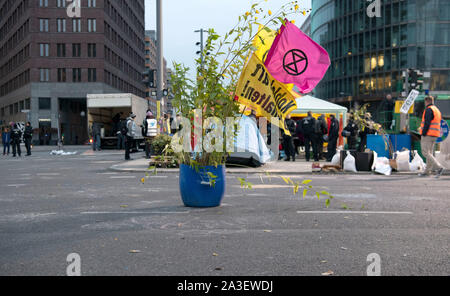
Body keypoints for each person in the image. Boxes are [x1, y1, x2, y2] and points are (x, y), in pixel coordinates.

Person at [419, 96, 446, 178]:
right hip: (435, 134)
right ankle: (427, 171)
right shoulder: (436, 110)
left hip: (428, 134)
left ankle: (439, 167)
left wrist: (423, 133)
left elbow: (427, 122)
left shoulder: (429, 109)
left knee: (425, 152)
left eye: (425, 102)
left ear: (427, 101)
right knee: (429, 153)